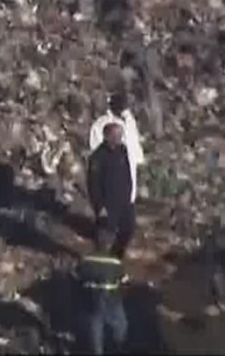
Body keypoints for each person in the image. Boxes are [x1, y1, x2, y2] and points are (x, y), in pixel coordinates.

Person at [75, 228, 129, 355]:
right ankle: (117, 346)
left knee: (95, 331)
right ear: (110, 244)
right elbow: (125, 283)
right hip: (112, 301)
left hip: (92, 302)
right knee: (121, 325)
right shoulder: (116, 263)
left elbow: (77, 280)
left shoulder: (86, 261)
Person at [88, 122, 137, 258]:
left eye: (120, 135)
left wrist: (129, 195)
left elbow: (128, 174)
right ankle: (100, 264)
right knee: (104, 237)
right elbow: (93, 184)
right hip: (107, 204)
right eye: (116, 135)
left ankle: (116, 257)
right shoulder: (98, 157)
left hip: (124, 202)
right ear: (107, 136)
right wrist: (99, 206)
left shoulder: (122, 151)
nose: (119, 138)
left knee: (128, 230)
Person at [88, 92, 145, 199]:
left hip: (129, 169)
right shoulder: (101, 124)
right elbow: (96, 149)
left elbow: (134, 143)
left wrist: (138, 159)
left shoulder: (129, 120)